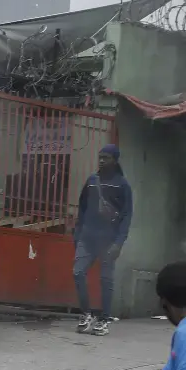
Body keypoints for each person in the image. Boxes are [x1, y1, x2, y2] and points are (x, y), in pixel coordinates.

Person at [72, 144, 133, 336]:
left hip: (109, 240)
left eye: (106, 158)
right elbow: (82, 207)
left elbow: (127, 216)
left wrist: (119, 243)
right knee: (78, 272)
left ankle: (104, 319)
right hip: (87, 237)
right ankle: (86, 314)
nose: (101, 161)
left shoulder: (122, 185)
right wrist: (78, 232)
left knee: (105, 280)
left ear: (115, 160)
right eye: (100, 157)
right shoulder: (92, 181)